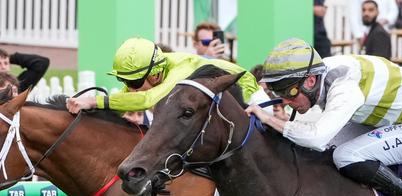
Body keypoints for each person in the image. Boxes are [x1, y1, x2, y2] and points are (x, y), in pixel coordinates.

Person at [245, 38, 402, 196]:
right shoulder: (320, 74)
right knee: (327, 152)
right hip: (382, 121)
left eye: (289, 92)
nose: (286, 101)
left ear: (310, 81)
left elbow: (317, 137)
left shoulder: (344, 88)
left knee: (344, 155)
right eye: (279, 94)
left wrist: (270, 119)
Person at [65, 37, 268, 115]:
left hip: (250, 98)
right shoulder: (149, 74)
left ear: (155, 74)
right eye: (124, 80)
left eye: (133, 81)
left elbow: (146, 99)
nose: (130, 88)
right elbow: (126, 103)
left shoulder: (180, 69)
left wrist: (93, 101)